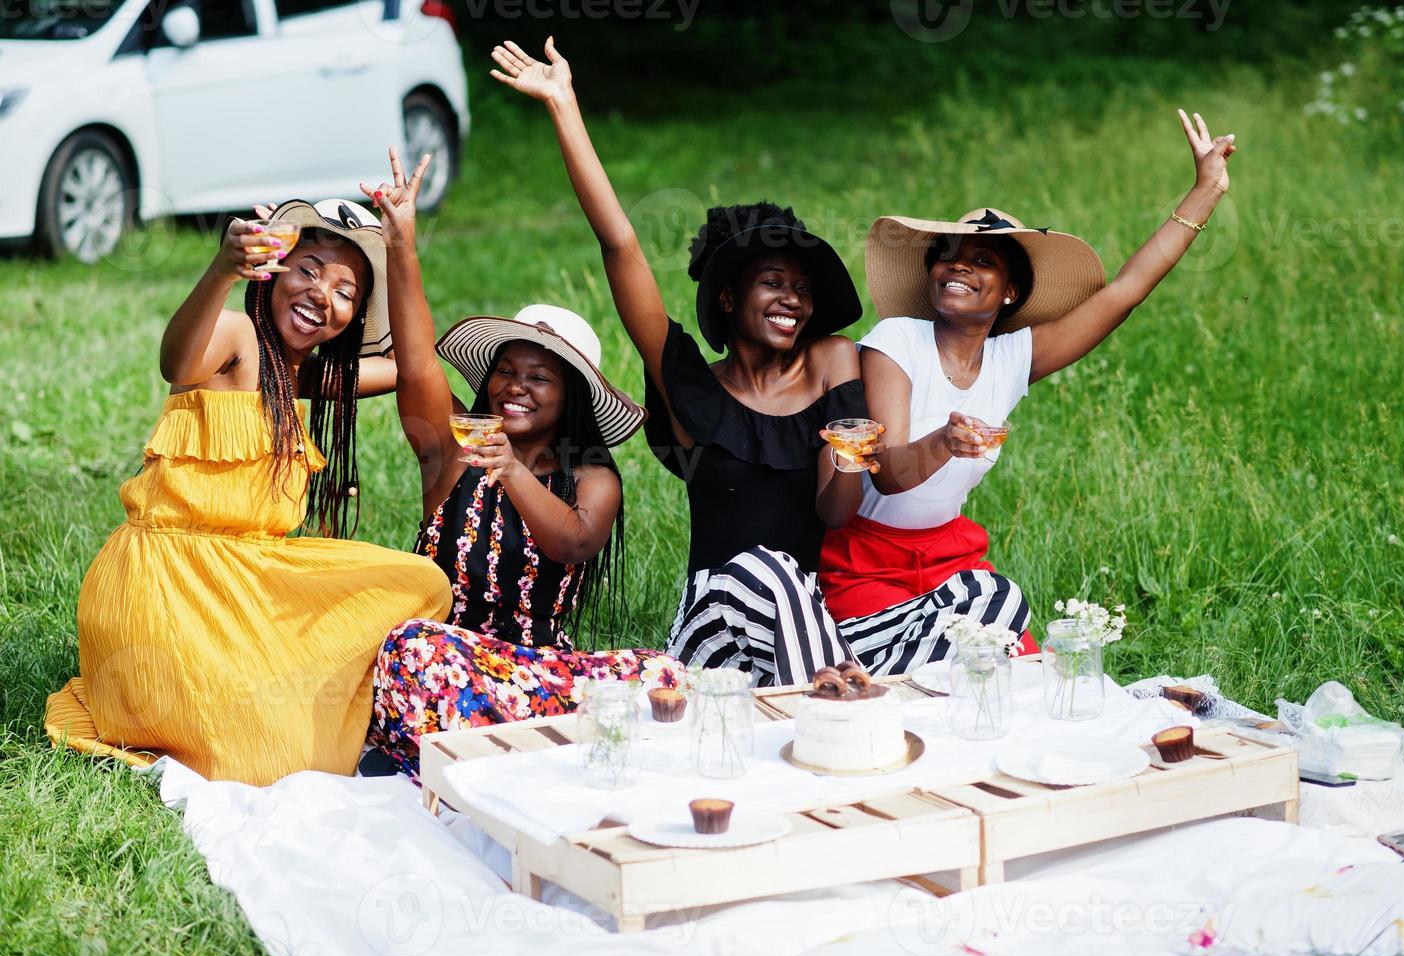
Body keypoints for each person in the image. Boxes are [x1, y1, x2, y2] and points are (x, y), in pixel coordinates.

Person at [492, 38, 1030, 686]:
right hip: (715, 628)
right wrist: (565, 106)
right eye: (773, 282)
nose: (792, 299)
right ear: (729, 296)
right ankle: (835, 704)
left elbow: (835, 514)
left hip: (809, 628)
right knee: (766, 570)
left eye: (803, 289)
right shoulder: (691, 387)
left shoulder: (833, 363)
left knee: (991, 598)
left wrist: (844, 452)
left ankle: (843, 695)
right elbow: (619, 244)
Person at [44, 199, 452, 786]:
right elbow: (177, 362)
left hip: (243, 581)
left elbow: (414, 367)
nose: (320, 295)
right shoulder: (236, 337)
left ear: (356, 317)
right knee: (272, 761)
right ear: (273, 270)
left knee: (420, 582)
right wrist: (223, 270)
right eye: (307, 269)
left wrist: (400, 247)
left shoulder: (298, 378)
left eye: (346, 291)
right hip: (166, 584)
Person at [822, 111, 1238, 636]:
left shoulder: (1010, 359)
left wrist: (1206, 189)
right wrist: (944, 443)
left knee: (1001, 658)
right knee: (925, 670)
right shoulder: (897, 340)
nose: (958, 266)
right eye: (947, 256)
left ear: (1011, 291)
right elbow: (888, 471)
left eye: (982, 260)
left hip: (949, 554)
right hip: (867, 560)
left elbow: (1125, 292)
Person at [359, 150, 680, 778]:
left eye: (539, 377)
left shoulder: (593, 478)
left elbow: (577, 542)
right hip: (443, 662)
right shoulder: (453, 450)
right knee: (410, 647)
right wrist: (402, 242)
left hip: (539, 675)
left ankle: (502, 744)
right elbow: (419, 362)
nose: (516, 386)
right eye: (506, 369)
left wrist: (512, 470)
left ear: (572, 398)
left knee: (665, 675)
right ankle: (516, 748)